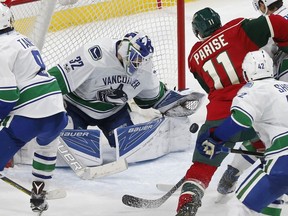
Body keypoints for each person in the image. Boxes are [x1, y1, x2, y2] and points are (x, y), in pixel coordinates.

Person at [176, 7, 288, 216]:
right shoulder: (238, 27)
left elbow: (208, 86)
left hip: (220, 115)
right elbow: (275, 22)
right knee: (265, 141)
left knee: (203, 164)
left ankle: (188, 202)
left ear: (198, 31)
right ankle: (240, 175)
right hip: (256, 109)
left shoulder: (193, 57)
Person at [47, 31, 200, 149]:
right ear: (125, 48)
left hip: (113, 113)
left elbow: (153, 98)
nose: (137, 63)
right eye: (136, 57)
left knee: (130, 145)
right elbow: (58, 78)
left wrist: (172, 104)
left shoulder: (144, 68)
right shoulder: (95, 54)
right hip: (75, 108)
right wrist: (35, 99)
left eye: (141, 60)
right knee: (72, 145)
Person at [197, 49, 288, 215]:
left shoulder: (253, 89)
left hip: (283, 160)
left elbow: (240, 120)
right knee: (272, 197)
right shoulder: (285, 86)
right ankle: (233, 172)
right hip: (281, 161)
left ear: (246, 73)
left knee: (245, 206)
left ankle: (233, 172)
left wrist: (215, 138)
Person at [216, 0, 288, 202]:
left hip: (281, 82)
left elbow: (260, 59)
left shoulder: (271, 22)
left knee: (267, 128)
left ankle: (233, 174)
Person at [0, 3, 68, 214]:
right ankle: (39, 193)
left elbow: (8, 97)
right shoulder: (21, 39)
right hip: (57, 111)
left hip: (28, 117)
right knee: (46, 148)